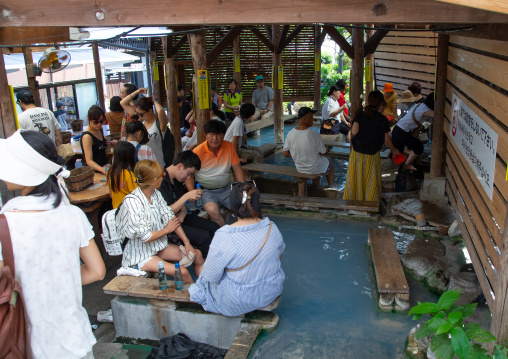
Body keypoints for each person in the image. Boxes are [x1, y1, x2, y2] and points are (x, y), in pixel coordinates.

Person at [0, 130, 105, 358]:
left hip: (27, 343)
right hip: (75, 339)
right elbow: (97, 271)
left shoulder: (5, 223)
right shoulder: (73, 214)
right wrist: (60, 278)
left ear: (26, 170)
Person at [189, 181, 285, 317]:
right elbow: (278, 258)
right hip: (269, 292)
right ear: (259, 201)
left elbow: (212, 276)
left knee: (203, 274)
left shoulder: (224, 235)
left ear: (232, 205)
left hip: (237, 301)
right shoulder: (272, 227)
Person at [116, 160, 204, 283]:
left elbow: (170, 217)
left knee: (197, 254)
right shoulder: (132, 202)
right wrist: (167, 229)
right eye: (161, 176)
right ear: (154, 180)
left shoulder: (155, 194)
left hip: (157, 246)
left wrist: (187, 243)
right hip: (140, 255)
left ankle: (205, 288)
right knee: (182, 272)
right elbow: (146, 237)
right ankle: (196, 298)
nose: (164, 177)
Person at [159, 151, 221, 257]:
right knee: (204, 237)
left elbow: (181, 204)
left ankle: (218, 259)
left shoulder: (177, 179)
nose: (188, 178)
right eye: (189, 174)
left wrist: (182, 213)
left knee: (214, 227)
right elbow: (165, 212)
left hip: (179, 218)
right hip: (166, 223)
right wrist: (186, 197)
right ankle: (206, 266)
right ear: (180, 166)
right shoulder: (161, 181)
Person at [343, 91, 401, 201]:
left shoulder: (360, 115)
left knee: (356, 176)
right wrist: (394, 150)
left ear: (369, 101)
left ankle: (353, 200)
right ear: (380, 103)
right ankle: (370, 203)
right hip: (372, 154)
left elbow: (354, 132)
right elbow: (386, 139)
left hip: (358, 152)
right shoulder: (382, 119)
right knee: (370, 178)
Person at [185, 120, 245, 227]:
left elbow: (237, 168)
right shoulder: (198, 151)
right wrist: (191, 192)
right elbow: (189, 174)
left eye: (218, 135)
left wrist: (243, 186)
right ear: (206, 135)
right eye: (211, 135)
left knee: (244, 206)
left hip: (226, 188)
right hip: (205, 191)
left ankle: (244, 232)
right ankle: (227, 235)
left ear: (223, 135)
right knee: (213, 211)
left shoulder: (229, 146)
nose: (215, 138)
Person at [283, 107, 334, 187]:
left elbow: (285, 154)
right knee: (328, 161)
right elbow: (323, 154)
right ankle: (331, 187)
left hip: (301, 168)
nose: (312, 120)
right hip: (314, 168)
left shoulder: (290, 133)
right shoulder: (313, 134)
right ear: (305, 118)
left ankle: (315, 184)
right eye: (311, 118)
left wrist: (298, 154)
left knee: (317, 161)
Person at [121, 88, 171, 167]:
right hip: (144, 166)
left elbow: (161, 111)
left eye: (141, 114)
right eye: (138, 114)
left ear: (150, 111)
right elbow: (123, 103)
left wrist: (153, 101)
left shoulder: (159, 125)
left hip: (158, 166)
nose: (140, 116)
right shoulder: (141, 123)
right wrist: (137, 91)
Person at [391, 92, 435, 171]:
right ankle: (406, 165)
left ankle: (402, 166)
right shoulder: (425, 110)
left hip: (398, 129)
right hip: (402, 132)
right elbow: (437, 114)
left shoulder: (421, 105)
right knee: (419, 147)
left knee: (397, 152)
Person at [107, 141, 138, 208]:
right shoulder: (129, 174)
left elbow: (111, 194)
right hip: (129, 209)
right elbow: (136, 195)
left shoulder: (110, 172)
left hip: (116, 208)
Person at [81, 105, 109, 173]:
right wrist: (103, 170)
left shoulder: (100, 129)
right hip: (94, 172)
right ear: (88, 119)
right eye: (95, 122)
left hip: (102, 167)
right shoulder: (87, 137)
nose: (99, 124)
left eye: (102, 121)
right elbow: (89, 161)